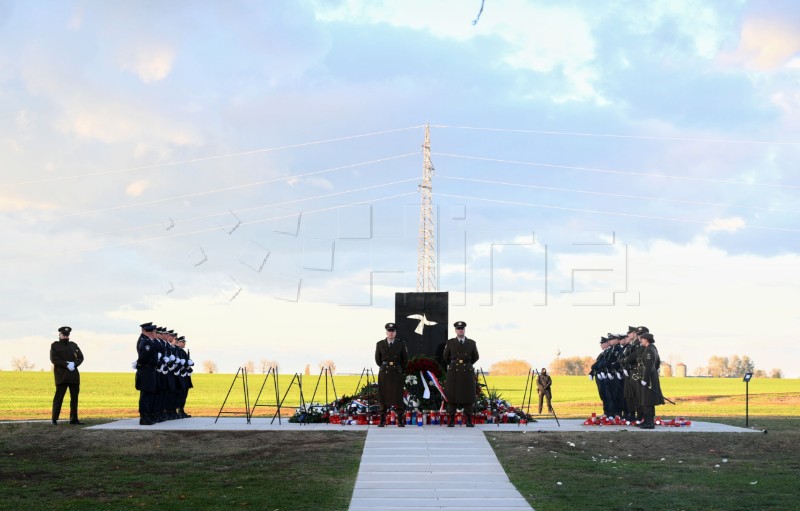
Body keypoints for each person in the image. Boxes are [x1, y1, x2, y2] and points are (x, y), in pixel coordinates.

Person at [442, 321, 479, 427]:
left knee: (468, 395)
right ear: (455, 330)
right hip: (454, 371)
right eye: (458, 329)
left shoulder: (472, 343)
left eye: (462, 328)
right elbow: (445, 357)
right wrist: (455, 364)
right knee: (452, 395)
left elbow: (476, 357)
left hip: (466, 371)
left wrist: (466, 365)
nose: (460, 330)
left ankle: (468, 420)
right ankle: (451, 419)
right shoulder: (450, 342)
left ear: (464, 330)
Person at [375, 322, 408, 427]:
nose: (391, 333)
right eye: (389, 331)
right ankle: (382, 419)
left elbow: (405, 360)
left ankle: (400, 420)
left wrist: (398, 368)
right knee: (383, 395)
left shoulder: (401, 344)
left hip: (396, 372)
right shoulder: (380, 344)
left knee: (398, 395)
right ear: (386, 332)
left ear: (395, 332)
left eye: (393, 331)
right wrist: (385, 366)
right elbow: (378, 360)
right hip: (384, 372)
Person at [50, 326, 84, 425]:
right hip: (61, 375)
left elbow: (81, 357)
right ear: (59, 335)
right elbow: (54, 359)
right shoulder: (55, 346)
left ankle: (74, 419)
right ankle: (54, 419)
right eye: (63, 334)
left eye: (67, 335)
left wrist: (75, 364)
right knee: (58, 398)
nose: (65, 336)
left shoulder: (73, 345)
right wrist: (66, 364)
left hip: (73, 375)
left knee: (74, 398)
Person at [637, 332, 664, 429]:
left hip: (649, 379)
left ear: (646, 340)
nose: (641, 340)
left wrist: (645, 379)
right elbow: (657, 364)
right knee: (648, 401)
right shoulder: (652, 348)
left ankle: (649, 423)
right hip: (651, 377)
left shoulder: (649, 350)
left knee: (647, 401)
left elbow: (648, 366)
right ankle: (648, 421)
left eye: (642, 339)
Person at [134, 322, 159, 425]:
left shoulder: (147, 340)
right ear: (148, 332)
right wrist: (139, 364)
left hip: (149, 370)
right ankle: (144, 417)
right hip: (146, 371)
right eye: (152, 331)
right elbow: (144, 357)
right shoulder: (146, 342)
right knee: (146, 395)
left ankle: (147, 416)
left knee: (149, 394)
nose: (154, 333)